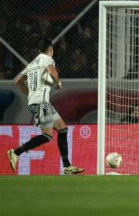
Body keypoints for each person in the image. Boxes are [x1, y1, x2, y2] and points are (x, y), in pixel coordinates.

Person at [7, 39, 84, 175]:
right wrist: (58, 82)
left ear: (39, 50)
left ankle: (67, 167)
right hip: (40, 103)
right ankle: (15, 152)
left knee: (63, 129)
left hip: (41, 102)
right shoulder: (48, 59)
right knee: (47, 136)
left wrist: (29, 94)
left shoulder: (32, 63)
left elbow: (18, 81)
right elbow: (52, 70)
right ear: (51, 50)